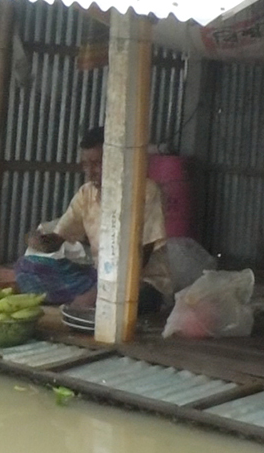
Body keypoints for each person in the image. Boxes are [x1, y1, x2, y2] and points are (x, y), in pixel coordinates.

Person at [18, 126, 171, 313]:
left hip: (141, 282)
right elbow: (57, 240)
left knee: (108, 304)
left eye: (97, 163)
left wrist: (97, 293)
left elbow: (141, 258)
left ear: (117, 161)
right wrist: (35, 239)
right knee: (27, 270)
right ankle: (91, 301)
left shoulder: (145, 191)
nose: (90, 172)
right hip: (100, 277)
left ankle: (93, 302)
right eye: (85, 164)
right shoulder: (86, 193)